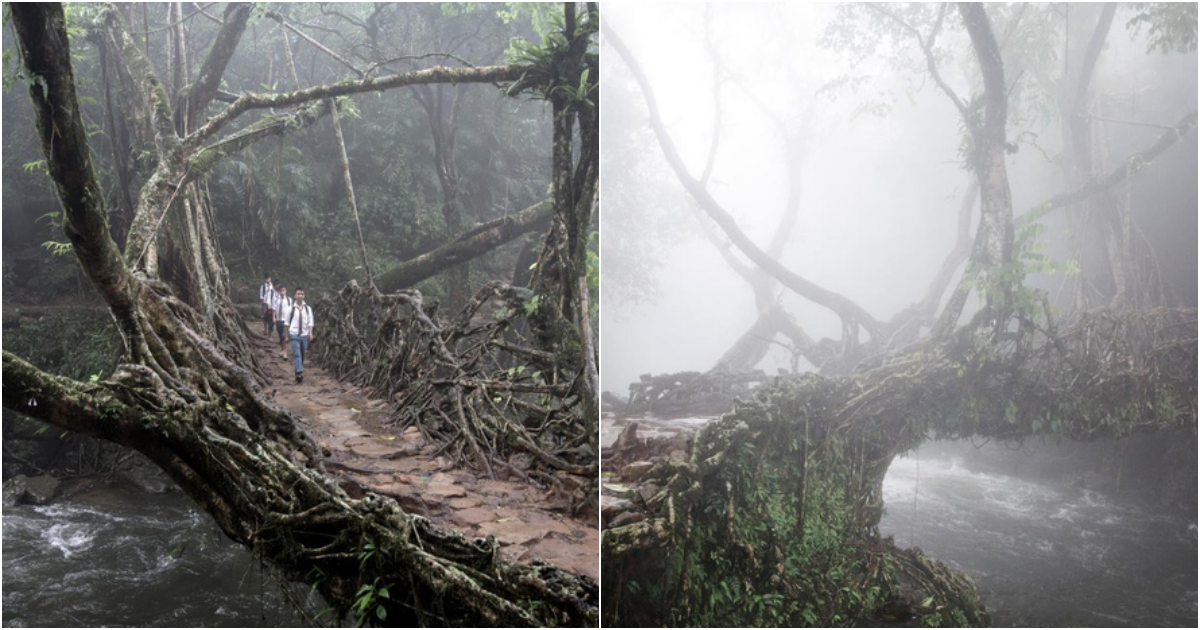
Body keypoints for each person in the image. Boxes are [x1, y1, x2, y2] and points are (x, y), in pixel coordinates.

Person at [286, 288, 315, 383]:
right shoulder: (290, 308)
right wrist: (287, 336)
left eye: (302, 294)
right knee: (297, 354)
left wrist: (310, 333)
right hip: (294, 334)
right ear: (295, 296)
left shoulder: (308, 309)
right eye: (298, 294)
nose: (300, 295)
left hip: (304, 335)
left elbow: (310, 322)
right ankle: (299, 373)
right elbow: (287, 323)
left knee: (302, 355)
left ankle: (297, 372)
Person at [271, 284, 292, 360]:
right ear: (279, 291)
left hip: (286, 321)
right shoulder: (276, 299)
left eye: (284, 290)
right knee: (281, 337)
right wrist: (274, 317)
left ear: (286, 291)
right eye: (281, 290)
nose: (282, 292)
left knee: (284, 336)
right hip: (278, 320)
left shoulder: (289, 300)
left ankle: (285, 353)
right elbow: (273, 309)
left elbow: (291, 311)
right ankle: (282, 350)